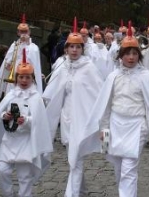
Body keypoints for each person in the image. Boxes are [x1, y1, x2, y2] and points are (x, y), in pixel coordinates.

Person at [78, 23, 149, 197]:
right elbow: (106, 105)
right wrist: (104, 131)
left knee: (129, 168)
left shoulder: (145, 76)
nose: (131, 57)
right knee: (119, 168)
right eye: (128, 53)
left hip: (137, 126)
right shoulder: (113, 77)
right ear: (121, 55)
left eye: (135, 53)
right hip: (116, 126)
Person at [43, 17, 104, 197]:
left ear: (82, 49)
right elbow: (51, 93)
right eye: (71, 47)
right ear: (66, 48)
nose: (75, 50)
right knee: (73, 158)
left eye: (78, 47)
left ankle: (71, 194)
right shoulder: (61, 66)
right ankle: (82, 191)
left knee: (76, 158)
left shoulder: (89, 67)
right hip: (67, 117)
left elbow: (99, 93)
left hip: (83, 118)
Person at [0, 48, 53, 197]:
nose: (24, 81)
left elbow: (39, 121)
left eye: (27, 77)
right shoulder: (11, 94)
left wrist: (26, 121)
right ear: (17, 78)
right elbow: (0, 113)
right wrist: (5, 116)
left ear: (32, 79)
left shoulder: (36, 98)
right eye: (21, 77)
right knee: (2, 170)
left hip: (26, 142)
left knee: (24, 177)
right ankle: (8, 194)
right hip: (9, 141)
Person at [0, 14, 43, 97]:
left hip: (27, 78)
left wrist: (26, 44)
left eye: (25, 31)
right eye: (21, 32)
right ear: (18, 33)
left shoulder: (34, 47)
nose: (23, 34)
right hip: (14, 79)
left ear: (29, 32)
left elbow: (34, 64)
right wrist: (8, 65)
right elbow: (7, 61)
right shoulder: (14, 45)